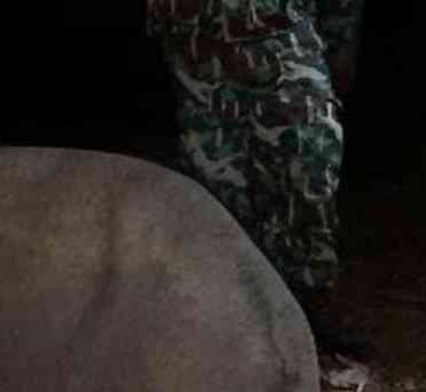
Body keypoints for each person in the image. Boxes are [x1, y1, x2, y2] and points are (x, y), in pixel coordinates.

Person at [147, 0, 369, 358]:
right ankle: (233, 318)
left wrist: (340, 42)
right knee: (217, 191)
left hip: (281, 43)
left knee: (308, 168)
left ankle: (310, 311)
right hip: (198, 57)